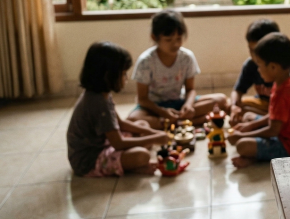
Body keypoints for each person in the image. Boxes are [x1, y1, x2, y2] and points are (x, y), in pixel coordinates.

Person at [67, 42, 170, 177]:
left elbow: (120, 124)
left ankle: (129, 165)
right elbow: (118, 143)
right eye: (123, 74)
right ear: (107, 75)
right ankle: (130, 167)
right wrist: (153, 139)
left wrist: (152, 132)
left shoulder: (101, 93)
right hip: (88, 161)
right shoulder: (97, 103)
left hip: (104, 143)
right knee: (142, 155)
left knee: (142, 125)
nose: (126, 78)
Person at [127, 10, 228, 129]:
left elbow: (190, 89)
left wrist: (188, 105)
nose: (175, 44)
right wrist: (162, 112)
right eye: (168, 40)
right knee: (134, 118)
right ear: (154, 37)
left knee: (221, 100)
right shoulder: (146, 61)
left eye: (179, 39)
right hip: (154, 107)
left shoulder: (186, 57)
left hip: (180, 102)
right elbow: (142, 98)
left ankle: (172, 123)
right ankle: (187, 122)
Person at [228, 33, 290, 168]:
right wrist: (249, 126)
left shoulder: (285, 91)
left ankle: (256, 158)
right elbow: (274, 116)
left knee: (242, 146)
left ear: (273, 67)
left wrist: (241, 136)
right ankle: (258, 151)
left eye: (260, 65)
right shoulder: (283, 81)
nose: (258, 69)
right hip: (283, 132)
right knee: (248, 117)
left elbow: (273, 130)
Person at [229, 19, 290, 126]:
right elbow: (237, 90)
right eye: (250, 50)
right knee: (232, 106)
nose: (253, 55)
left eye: (257, 50)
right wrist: (234, 106)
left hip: (283, 106)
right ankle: (271, 120)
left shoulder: (286, 67)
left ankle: (271, 120)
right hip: (264, 105)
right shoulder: (250, 65)